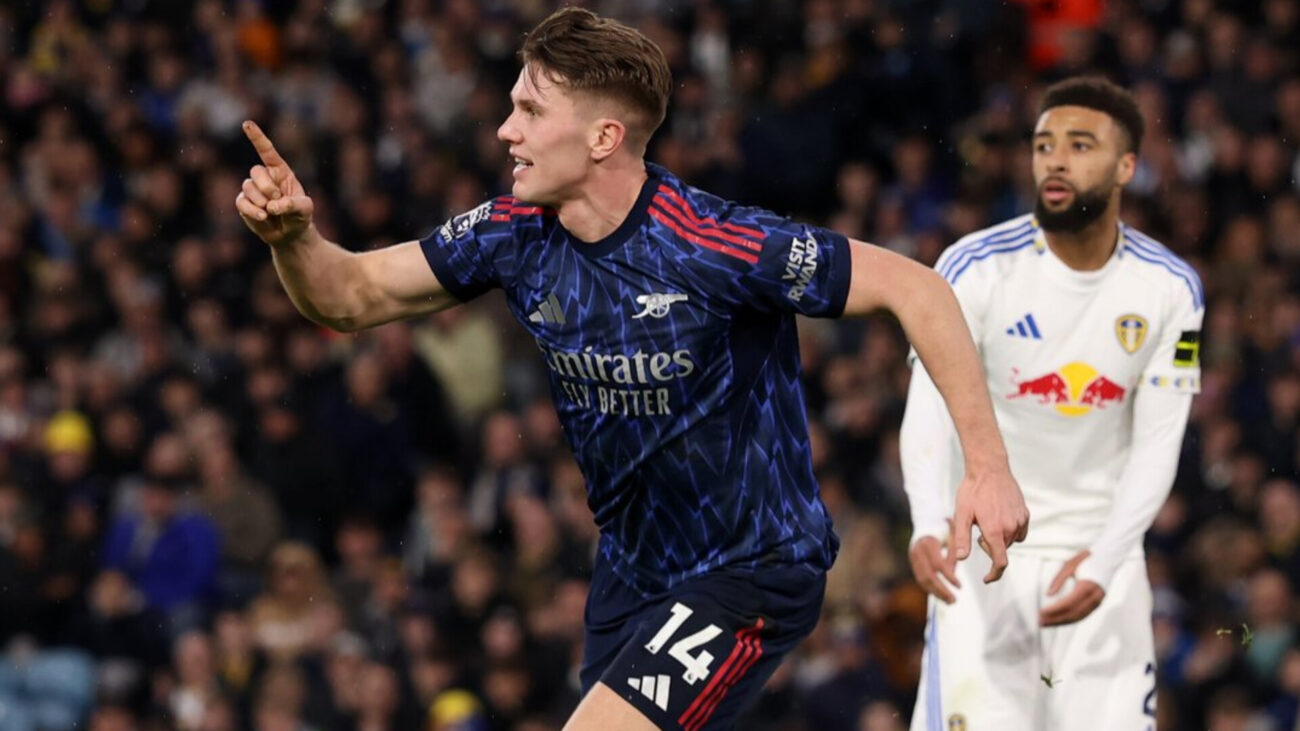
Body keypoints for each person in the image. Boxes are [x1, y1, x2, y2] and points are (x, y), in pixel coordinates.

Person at [234, 8, 1028, 729]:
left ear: (603, 138)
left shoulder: (713, 244)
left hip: (749, 570)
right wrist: (294, 241)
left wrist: (987, 467)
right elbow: (352, 295)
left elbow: (918, 288)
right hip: (632, 578)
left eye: (529, 111)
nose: (505, 131)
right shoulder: (512, 233)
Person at [901, 77, 1204, 730]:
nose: (1055, 160)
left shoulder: (1171, 289)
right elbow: (928, 404)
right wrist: (927, 521)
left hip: (1102, 563)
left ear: (1127, 167)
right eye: (1043, 145)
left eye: (1080, 145)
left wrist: (1108, 557)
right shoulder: (974, 267)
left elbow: (1159, 439)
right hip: (981, 558)